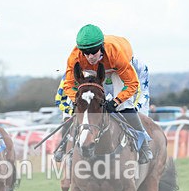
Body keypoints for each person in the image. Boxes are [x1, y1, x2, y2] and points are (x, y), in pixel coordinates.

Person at [61, 24, 153, 164]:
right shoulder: (75, 58)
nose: (90, 56)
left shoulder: (115, 53)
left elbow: (132, 84)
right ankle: (65, 146)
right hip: (91, 71)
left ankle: (144, 146)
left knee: (124, 105)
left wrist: (115, 101)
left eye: (93, 52)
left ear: (101, 47)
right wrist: (81, 101)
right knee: (73, 106)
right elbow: (68, 85)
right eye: (86, 53)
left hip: (116, 68)